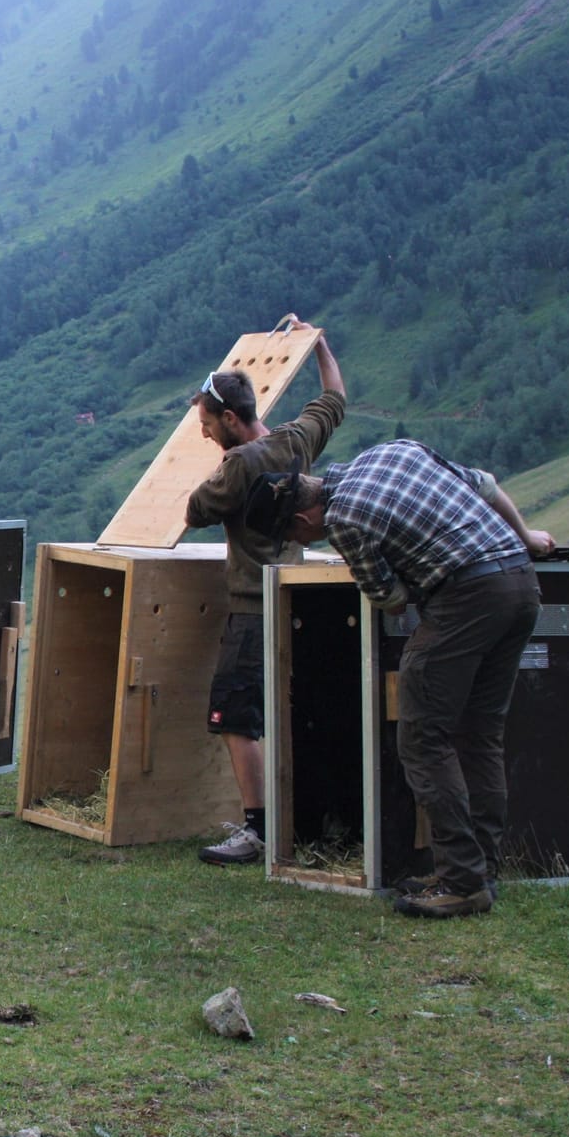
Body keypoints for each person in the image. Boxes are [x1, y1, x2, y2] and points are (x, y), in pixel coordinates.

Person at [242, 443, 555, 918]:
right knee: (480, 736)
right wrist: (527, 537)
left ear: (302, 522)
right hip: (519, 579)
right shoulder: (392, 452)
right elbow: (486, 484)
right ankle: (481, 871)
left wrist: (407, 571)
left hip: (466, 598)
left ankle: (462, 882)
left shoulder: (345, 523)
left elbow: (390, 598)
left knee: (423, 739)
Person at [183, 318, 345, 865]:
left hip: (252, 610)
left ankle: (257, 830)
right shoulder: (297, 441)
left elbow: (194, 509)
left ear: (230, 419)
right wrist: (319, 343)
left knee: (236, 718)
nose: (204, 433)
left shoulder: (234, 468)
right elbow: (335, 397)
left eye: (207, 424)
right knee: (291, 716)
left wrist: (229, 461)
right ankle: (304, 822)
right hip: (297, 598)